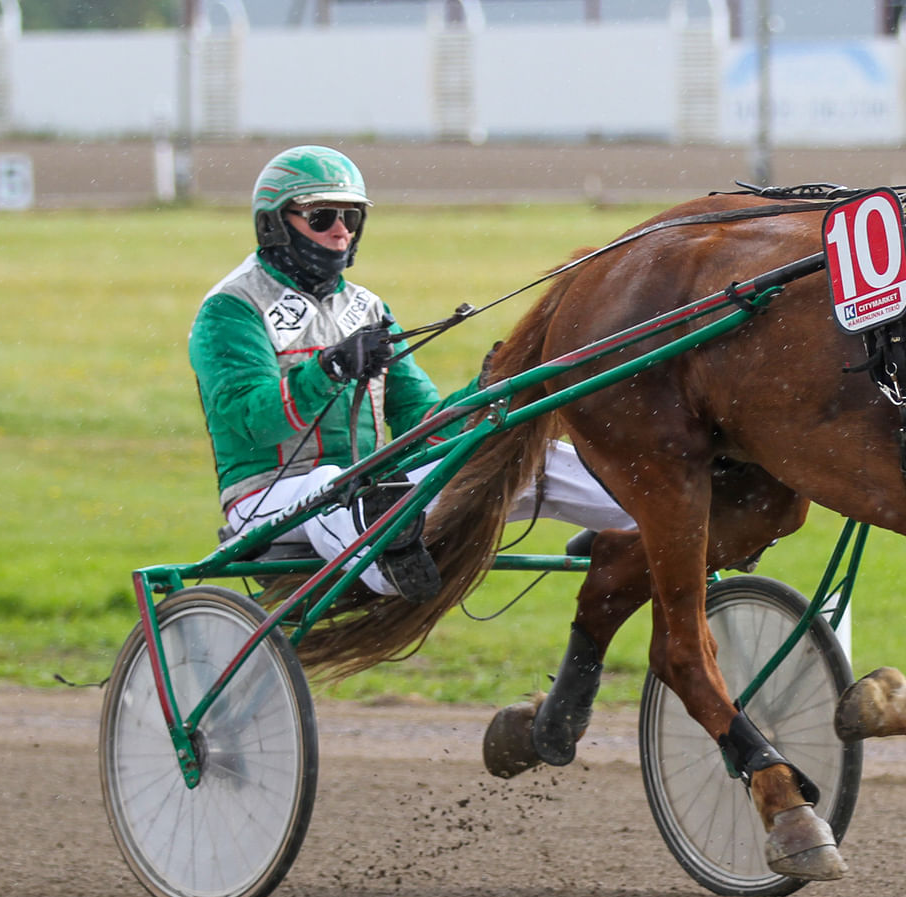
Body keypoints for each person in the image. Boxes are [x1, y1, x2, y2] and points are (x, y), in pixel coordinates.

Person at [188, 145, 634, 602]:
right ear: (274, 224)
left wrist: (481, 394)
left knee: (529, 456)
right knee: (332, 486)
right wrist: (330, 368)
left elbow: (420, 423)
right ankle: (388, 570)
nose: (341, 231)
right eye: (322, 216)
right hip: (267, 499)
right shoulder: (232, 309)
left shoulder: (367, 308)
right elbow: (251, 421)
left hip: (373, 490)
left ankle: (652, 520)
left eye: (352, 217)